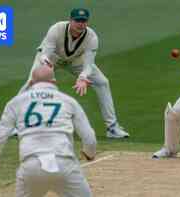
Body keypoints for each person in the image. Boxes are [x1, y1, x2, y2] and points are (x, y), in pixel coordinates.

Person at [0, 65, 97, 197]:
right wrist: (89, 153)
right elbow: (89, 137)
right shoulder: (68, 101)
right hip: (65, 164)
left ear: (31, 83)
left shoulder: (15, 102)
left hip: (31, 166)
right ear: (54, 82)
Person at [19, 8, 129, 138]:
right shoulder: (57, 29)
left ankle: (112, 128)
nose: (81, 24)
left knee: (102, 82)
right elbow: (45, 53)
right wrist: (46, 66)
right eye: (77, 21)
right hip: (51, 58)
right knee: (31, 82)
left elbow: (88, 65)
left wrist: (83, 77)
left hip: (76, 61)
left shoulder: (91, 37)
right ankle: (16, 125)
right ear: (70, 20)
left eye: (84, 21)